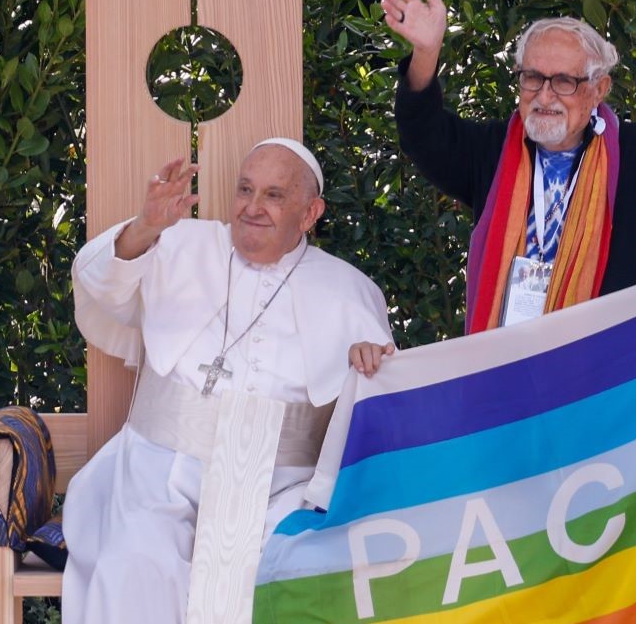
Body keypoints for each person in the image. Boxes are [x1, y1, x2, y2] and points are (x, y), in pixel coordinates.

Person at [62, 139, 393, 624]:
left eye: (274, 196)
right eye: (245, 190)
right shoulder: (178, 242)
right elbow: (101, 285)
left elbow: (381, 404)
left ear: (310, 212)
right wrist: (146, 226)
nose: (252, 208)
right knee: (136, 562)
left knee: (290, 576)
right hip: (158, 470)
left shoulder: (350, 290)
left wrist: (369, 364)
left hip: (279, 490)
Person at [375, 0, 636, 339]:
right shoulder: (494, 149)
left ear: (599, 89)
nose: (545, 96)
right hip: (508, 373)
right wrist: (426, 52)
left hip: (607, 386)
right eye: (532, 77)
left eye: (564, 81)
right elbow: (423, 133)